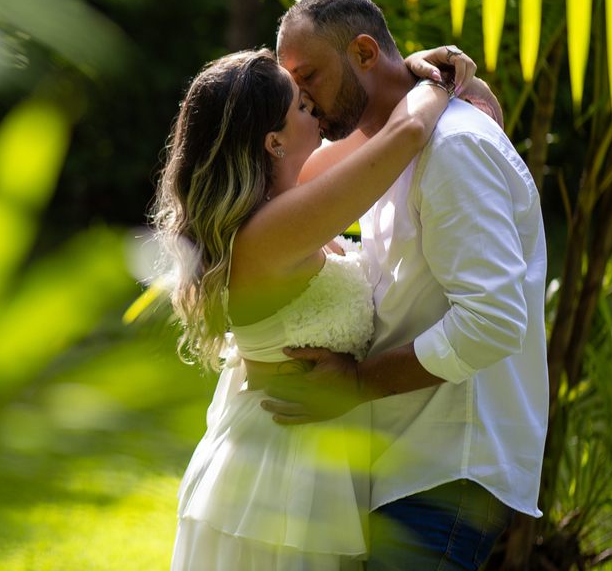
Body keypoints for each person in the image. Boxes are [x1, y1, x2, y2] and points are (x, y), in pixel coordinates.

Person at [157, 38, 490, 570]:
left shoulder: (287, 200)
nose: (318, 110)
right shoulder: (270, 233)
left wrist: (400, 71)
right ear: (274, 141)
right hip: (281, 475)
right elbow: (403, 133)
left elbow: (377, 131)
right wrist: (436, 81)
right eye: (303, 106)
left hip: (308, 459)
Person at [266, 0, 547, 570]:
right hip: (404, 459)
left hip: (446, 462)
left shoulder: (453, 147)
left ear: (365, 53)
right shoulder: (391, 145)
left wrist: (360, 382)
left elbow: (492, 321)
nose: (301, 98)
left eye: (309, 75)